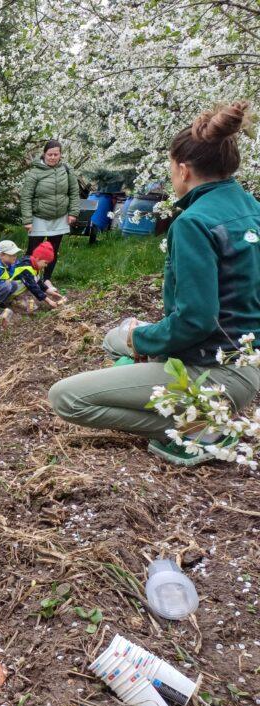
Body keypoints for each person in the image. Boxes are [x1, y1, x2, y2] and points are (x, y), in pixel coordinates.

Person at [49, 101, 260, 465]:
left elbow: (196, 320)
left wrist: (141, 339)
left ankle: (201, 430)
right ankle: (173, 398)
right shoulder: (252, 208)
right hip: (245, 360)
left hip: (213, 373)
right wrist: (139, 337)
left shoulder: (194, 223)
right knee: (115, 338)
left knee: (66, 398)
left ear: (183, 170)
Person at [20, 140, 80, 284]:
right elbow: (26, 197)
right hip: (39, 216)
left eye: (56, 154)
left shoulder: (66, 170)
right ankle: (28, 278)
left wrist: (73, 213)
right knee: (33, 250)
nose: (52, 157)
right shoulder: (35, 172)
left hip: (60, 216)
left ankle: (47, 279)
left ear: (60, 155)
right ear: (44, 154)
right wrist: (27, 220)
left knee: (53, 250)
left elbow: (74, 191)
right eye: (49, 154)